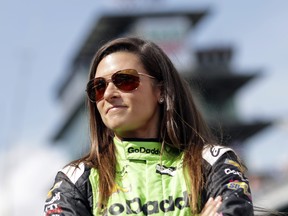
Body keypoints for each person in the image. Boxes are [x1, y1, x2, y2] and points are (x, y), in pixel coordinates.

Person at [43, 37, 254, 215]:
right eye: (98, 87)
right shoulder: (74, 180)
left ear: (161, 91)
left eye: (125, 80)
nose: (108, 94)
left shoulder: (214, 161)